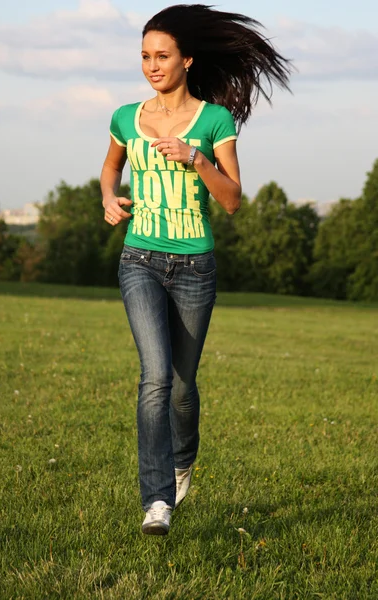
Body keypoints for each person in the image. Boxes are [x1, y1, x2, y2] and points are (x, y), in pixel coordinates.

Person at [100, 4, 291, 535]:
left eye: (162, 56)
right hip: (139, 258)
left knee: (183, 387)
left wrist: (195, 158)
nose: (152, 65)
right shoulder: (125, 116)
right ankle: (157, 500)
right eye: (144, 56)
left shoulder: (214, 120)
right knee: (155, 377)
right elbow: (110, 168)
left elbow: (231, 200)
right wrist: (109, 200)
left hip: (194, 267)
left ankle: (184, 461)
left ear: (186, 60)